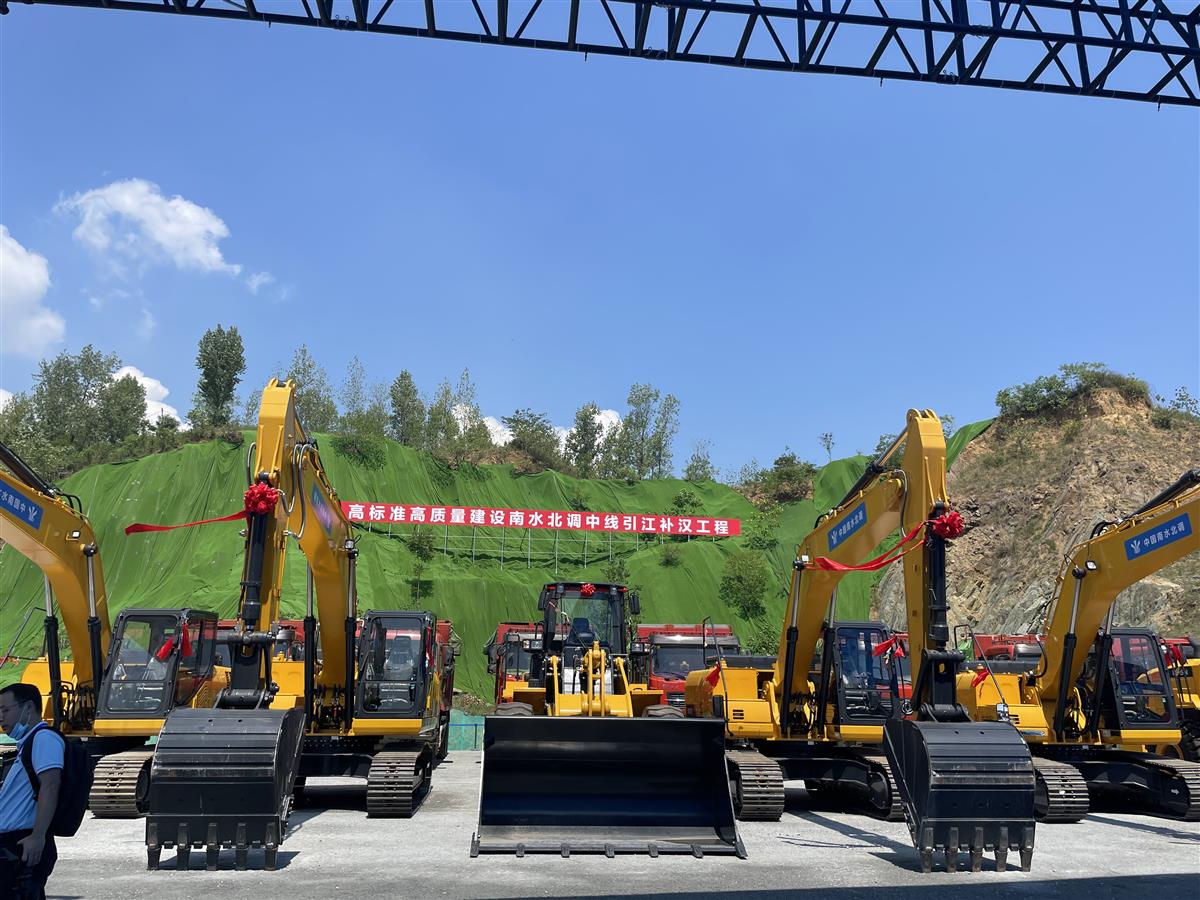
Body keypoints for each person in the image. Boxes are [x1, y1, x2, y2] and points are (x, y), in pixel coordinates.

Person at [0, 683, 64, 900]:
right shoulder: (28, 743)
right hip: (13, 844)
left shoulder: (44, 739)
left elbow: (51, 785)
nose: (1, 717)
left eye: (5, 710)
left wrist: (38, 836)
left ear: (28, 708)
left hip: (22, 845)